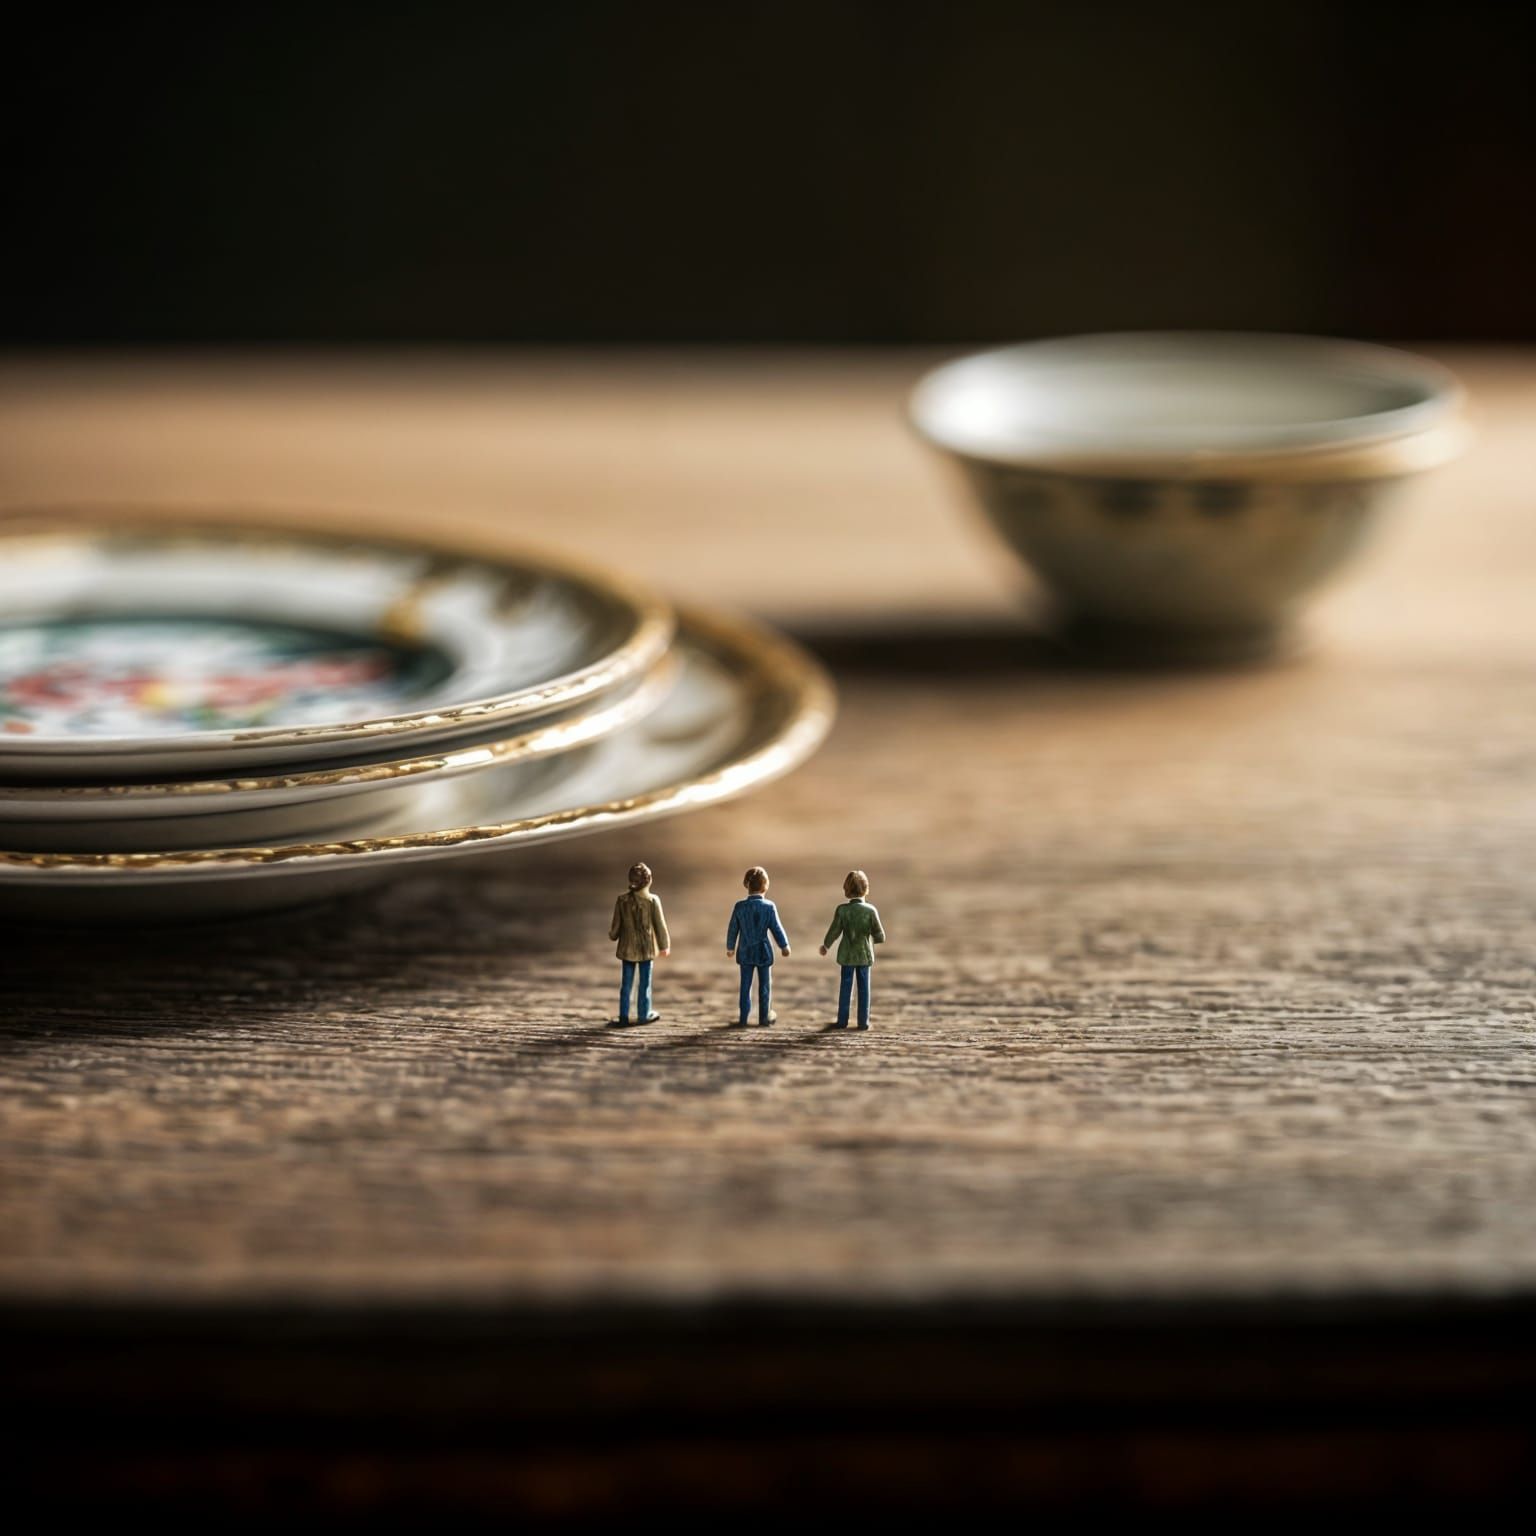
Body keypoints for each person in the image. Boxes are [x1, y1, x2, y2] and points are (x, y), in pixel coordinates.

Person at [819, 870, 885, 1029]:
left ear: (846, 889)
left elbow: (834, 931)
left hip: (847, 955)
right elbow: (880, 935)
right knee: (864, 989)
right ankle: (863, 1022)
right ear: (866, 888)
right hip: (864, 954)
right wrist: (874, 939)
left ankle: (842, 1021)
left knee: (845, 988)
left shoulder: (842, 910)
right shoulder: (870, 910)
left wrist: (826, 945)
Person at [726, 865, 790, 1025]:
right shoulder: (769, 907)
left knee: (745, 986)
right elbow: (776, 928)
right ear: (765, 886)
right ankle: (764, 1017)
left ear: (746, 884)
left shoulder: (740, 906)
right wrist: (784, 945)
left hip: (745, 951)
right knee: (765, 986)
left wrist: (730, 947)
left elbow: (733, 928)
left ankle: (743, 1018)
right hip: (763, 952)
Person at [609, 861, 670, 1023]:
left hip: (627, 949)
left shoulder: (622, 900)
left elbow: (615, 927)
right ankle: (643, 1015)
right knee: (644, 984)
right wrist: (664, 945)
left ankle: (623, 1016)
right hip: (646, 949)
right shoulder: (653, 901)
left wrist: (613, 935)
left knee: (626, 985)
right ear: (648, 881)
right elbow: (660, 926)